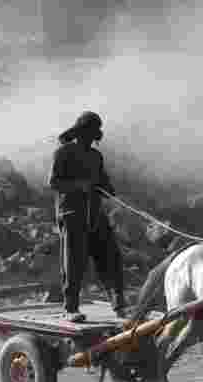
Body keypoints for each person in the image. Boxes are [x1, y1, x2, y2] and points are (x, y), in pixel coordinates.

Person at [48, 111, 126, 323]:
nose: (92, 137)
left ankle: (119, 306)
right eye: (89, 132)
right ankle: (70, 307)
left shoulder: (95, 156)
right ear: (80, 132)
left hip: (94, 212)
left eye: (94, 134)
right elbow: (54, 183)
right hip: (71, 213)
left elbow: (103, 180)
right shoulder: (63, 152)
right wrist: (79, 186)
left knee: (110, 255)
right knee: (74, 261)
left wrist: (107, 188)